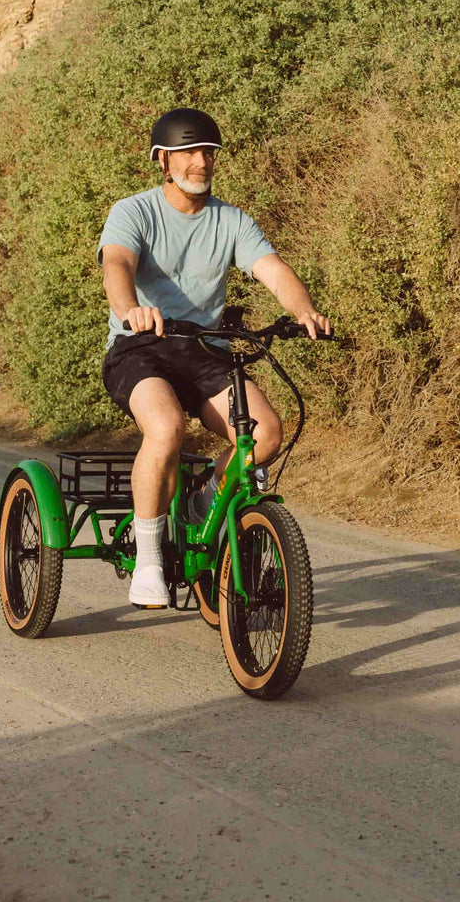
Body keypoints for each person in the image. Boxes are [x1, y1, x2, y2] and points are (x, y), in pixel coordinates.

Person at [98, 107, 331, 608]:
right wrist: (130, 309)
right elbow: (117, 263)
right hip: (141, 349)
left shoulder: (232, 220)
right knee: (164, 428)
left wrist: (304, 309)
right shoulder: (133, 211)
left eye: (207, 153)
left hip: (204, 350)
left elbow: (272, 268)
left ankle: (204, 499)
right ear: (163, 160)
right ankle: (150, 560)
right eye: (188, 153)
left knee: (265, 432)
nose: (200, 162)